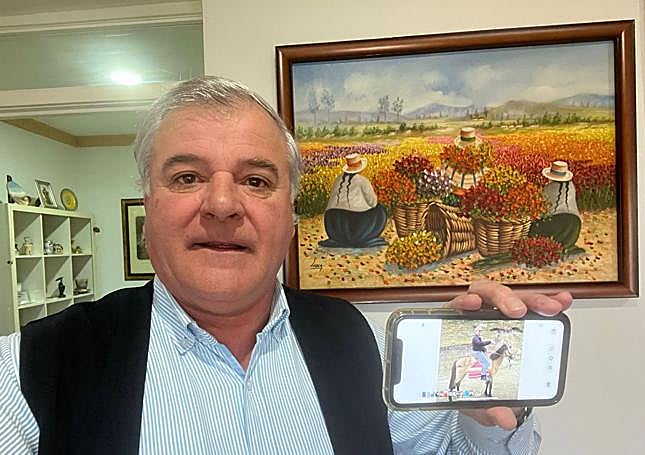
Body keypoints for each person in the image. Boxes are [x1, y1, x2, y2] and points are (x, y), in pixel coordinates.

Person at [0, 76, 572, 454]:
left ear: (292, 216)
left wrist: (480, 413)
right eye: (187, 177)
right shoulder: (29, 370)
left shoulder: (359, 343)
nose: (222, 205)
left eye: (255, 181)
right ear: (147, 206)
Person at [319, 153, 388, 248]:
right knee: (380, 210)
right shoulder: (362, 181)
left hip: (333, 225)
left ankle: (341, 240)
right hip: (355, 227)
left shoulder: (338, 179)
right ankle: (360, 238)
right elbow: (373, 203)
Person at [529, 160, 584, 255]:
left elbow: (540, 210)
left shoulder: (549, 188)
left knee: (533, 228)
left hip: (557, 224)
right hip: (574, 225)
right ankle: (565, 246)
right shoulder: (571, 186)